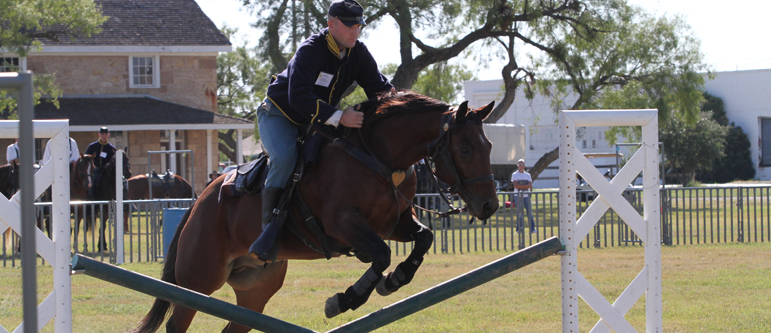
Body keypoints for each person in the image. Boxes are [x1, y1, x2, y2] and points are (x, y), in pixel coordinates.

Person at [249, 0, 395, 262]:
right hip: (279, 115)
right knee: (285, 157)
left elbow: (380, 88)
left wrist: (406, 106)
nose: (356, 31)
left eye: (359, 26)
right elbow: (298, 97)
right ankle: (269, 230)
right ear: (331, 24)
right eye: (350, 25)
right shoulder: (310, 50)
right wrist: (340, 116)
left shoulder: (358, 52)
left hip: (315, 121)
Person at [84, 127, 116, 199]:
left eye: (106, 134)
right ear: (99, 135)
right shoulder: (92, 146)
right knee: (91, 186)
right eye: (102, 134)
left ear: (108, 135)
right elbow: (86, 158)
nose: (104, 136)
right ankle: (89, 200)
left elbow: (113, 160)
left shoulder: (111, 148)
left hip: (106, 172)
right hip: (95, 171)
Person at [510, 159, 536, 233]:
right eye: (520, 164)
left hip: (526, 196)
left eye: (522, 164)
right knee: (519, 213)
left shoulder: (528, 175)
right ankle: (519, 229)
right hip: (517, 196)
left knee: (529, 212)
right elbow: (515, 186)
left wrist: (521, 186)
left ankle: (532, 229)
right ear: (518, 165)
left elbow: (530, 185)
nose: (521, 166)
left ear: (524, 165)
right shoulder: (514, 174)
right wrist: (525, 185)